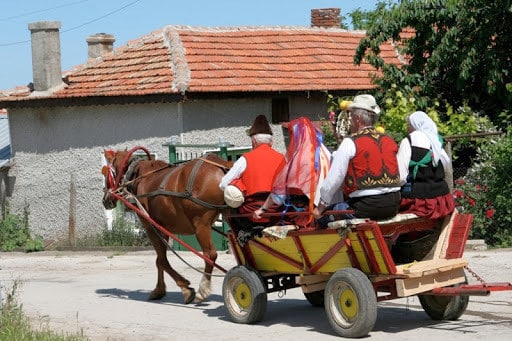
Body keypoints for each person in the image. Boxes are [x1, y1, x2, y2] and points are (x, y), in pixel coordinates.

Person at [313, 94, 401, 225]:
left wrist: (320, 208)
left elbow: (334, 179)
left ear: (358, 119)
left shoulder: (351, 142)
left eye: (351, 117)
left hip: (366, 207)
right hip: (394, 205)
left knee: (323, 218)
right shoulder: (389, 140)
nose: (350, 120)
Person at [253, 117, 332, 227]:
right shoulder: (326, 153)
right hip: (329, 210)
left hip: (304, 214)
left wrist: (262, 209)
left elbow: (279, 192)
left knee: (270, 222)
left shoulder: (298, 159)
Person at [219, 115, 286, 231]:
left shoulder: (245, 159)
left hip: (251, 213)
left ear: (253, 141)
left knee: (231, 208)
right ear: (272, 142)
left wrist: (239, 185)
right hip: (276, 212)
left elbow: (223, 184)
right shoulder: (282, 159)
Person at [397, 111, 455, 219]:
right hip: (442, 201)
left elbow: (401, 177)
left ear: (414, 125)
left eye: (409, 125)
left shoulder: (408, 141)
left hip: (419, 202)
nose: (407, 128)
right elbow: (446, 165)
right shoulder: (436, 141)